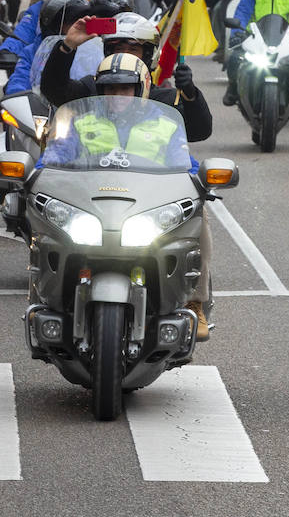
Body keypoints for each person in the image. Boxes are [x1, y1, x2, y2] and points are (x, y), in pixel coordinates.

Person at [40, 52, 210, 340]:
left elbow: (185, 164)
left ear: (141, 89)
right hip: (91, 205)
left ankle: (194, 298)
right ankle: (45, 293)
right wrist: (38, 174)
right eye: (109, 89)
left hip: (147, 207)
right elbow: (54, 157)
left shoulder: (165, 123)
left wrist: (199, 181)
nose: (116, 95)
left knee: (198, 220)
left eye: (124, 88)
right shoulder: (82, 122)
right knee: (43, 229)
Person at [42, 10, 212, 142]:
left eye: (132, 50)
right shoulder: (92, 88)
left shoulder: (165, 100)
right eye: (117, 49)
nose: (124, 55)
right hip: (95, 183)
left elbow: (199, 131)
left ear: (147, 56)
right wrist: (67, 46)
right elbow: (54, 91)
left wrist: (191, 94)